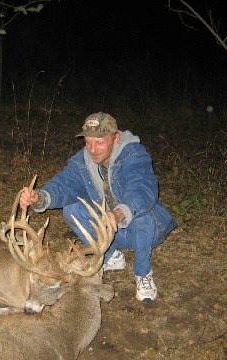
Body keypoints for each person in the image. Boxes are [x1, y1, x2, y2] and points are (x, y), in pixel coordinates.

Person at [19, 112, 177, 303]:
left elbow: (141, 189)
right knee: (72, 209)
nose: (93, 149)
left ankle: (143, 273)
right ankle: (111, 255)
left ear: (115, 138)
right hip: (110, 232)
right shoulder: (82, 161)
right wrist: (39, 197)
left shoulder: (134, 155)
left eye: (100, 142)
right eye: (88, 142)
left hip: (144, 232)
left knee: (142, 215)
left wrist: (119, 213)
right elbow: (64, 185)